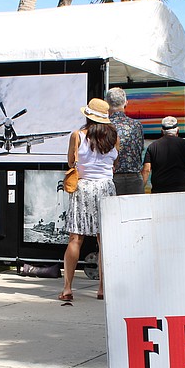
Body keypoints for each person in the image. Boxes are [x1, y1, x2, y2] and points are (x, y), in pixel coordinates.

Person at [60, 98, 118, 302]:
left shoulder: (77, 135)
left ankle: (67, 288)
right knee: (105, 241)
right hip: (106, 187)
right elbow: (114, 163)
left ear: (87, 115)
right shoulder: (113, 137)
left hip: (83, 187)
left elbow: (70, 161)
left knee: (76, 238)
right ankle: (102, 288)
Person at [141, 116, 185, 193]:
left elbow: (146, 170)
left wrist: (141, 188)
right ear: (177, 131)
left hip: (159, 190)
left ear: (162, 131)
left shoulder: (152, 146)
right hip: (181, 189)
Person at [106, 87, 145, 196]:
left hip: (112, 178)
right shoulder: (136, 125)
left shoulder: (105, 126)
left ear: (107, 104)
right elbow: (140, 149)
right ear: (125, 103)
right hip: (134, 178)